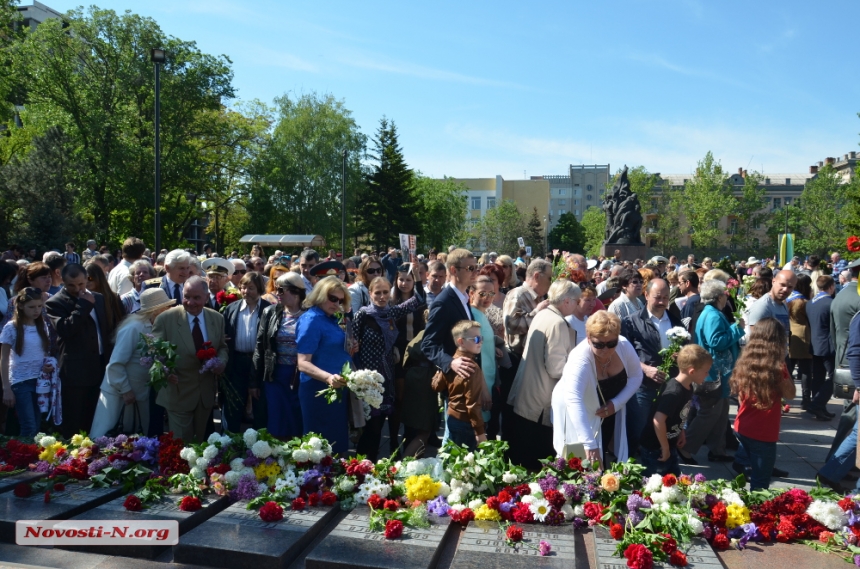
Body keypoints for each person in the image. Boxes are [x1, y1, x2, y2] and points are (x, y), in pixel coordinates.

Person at [551, 311, 643, 466]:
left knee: (602, 457)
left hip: (607, 410)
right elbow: (574, 399)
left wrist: (616, 403)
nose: (605, 350)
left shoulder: (624, 345)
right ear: (588, 338)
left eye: (611, 343)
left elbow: (636, 376)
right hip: (575, 411)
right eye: (599, 344)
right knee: (579, 462)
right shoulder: (580, 360)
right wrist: (589, 444)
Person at [507, 279, 580, 469]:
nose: (578, 304)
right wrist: (579, 368)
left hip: (527, 393)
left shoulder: (544, 314)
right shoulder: (557, 323)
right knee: (535, 459)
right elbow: (556, 368)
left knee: (521, 455)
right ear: (566, 301)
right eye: (577, 300)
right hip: (540, 401)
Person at [353, 276, 423, 460]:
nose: (382, 296)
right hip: (367, 378)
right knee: (372, 425)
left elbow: (418, 300)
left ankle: (376, 463)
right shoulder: (363, 314)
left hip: (387, 375)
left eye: (386, 292)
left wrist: (417, 276)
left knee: (384, 418)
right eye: (378, 293)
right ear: (370, 294)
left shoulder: (391, 312)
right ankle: (364, 465)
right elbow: (350, 343)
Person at [89, 289, 176, 438]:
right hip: (120, 393)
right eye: (166, 308)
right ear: (157, 310)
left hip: (139, 393)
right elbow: (116, 364)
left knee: (133, 439)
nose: (169, 311)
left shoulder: (155, 325)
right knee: (110, 436)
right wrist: (125, 389)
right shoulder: (133, 328)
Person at [152, 276, 227, 442]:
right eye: (186, 296)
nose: (190, 302)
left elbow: (222, 346)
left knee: (200, 444)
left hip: (205, 394)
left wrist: (221, 362)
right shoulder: (166, 319)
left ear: (207, 297)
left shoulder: (217, 318)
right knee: (182, 445)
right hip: (178, 392)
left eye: (196, 298)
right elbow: (153, 353)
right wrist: (165, 371)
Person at [679, 280, 745, 465]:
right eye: (725, 294)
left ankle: (718, 450)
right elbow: (716, 342)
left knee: (721, 412)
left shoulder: (712, 313)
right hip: (713, 374)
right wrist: (737, 328)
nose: (727, 297)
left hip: (717, 373)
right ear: (719, 297)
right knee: (709, 413)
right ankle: (685, 446)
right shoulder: (713, 315)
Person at [45, 263, 111, 438]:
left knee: (95, 419)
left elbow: (105, 329)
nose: (77, 289)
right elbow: (66, 330)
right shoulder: (55, 302)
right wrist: (82, 305)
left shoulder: (98, 298)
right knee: (75, 421)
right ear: (63, 282)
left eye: (81, 284)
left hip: (100, 365)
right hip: (75, 372)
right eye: (71, 285)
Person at [731, 318, 796, 490]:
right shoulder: (776, 367)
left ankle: (741, 464)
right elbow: (791, 394)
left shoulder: (746, 361)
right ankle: (756, 513)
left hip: (743, 426)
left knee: (752, 468)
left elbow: (739, 397)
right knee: (760, 483)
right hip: (764, 432)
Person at [620, 279, 684, 453]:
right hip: (642, 387)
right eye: (658, 297)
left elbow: (686, 351)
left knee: (664, 431)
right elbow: (623, 355)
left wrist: (681, 356)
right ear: (646, 295)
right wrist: (646, 369)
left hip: (668, 387)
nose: (662, 302)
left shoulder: (676, 323)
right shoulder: (630, 322)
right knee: (639, 431)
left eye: (665, 297)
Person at [296, 276, 353, 454]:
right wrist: (328, 377)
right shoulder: (311, 319)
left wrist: (349, 347)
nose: (336, 303)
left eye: (340, 300)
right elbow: (303, 363)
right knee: (318, 449)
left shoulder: (329, 318)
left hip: (335, 389)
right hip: (318, 390)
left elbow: (330, 349)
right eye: (332, 298)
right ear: (320, 295)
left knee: (335, 445)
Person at [638, 345, 712, 476]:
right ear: (692, 371)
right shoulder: (674, 392)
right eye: (706, 371)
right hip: (655, 448)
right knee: (654, 485)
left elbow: (678, 414)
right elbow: (658, 420)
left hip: (669, 444)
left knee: (673, 481)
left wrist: (681, 431)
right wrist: (665, 448)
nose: (707, 375)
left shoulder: (688, 387)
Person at [253, 272, 306, 441]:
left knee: (299, 422)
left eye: (281, 290)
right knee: (277, 423)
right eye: (276, 289)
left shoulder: (311, 315)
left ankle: (300, 461)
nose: (277, 293)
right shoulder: (270, 312)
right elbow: (260, 346)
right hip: (275, 375)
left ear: (296, 292)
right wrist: (254, 381)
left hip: (301, 376)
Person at [0, 288, 53, 438]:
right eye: (31, 307)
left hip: (40, 380)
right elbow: (4, 359)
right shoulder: (12, 327)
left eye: (39, 306)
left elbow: (42, 352)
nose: (36, 310)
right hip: (20, 380)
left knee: (37, 424)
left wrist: (47, 365)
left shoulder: (41, 326)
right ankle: (25, 458)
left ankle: (32, 457)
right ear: (21, 306)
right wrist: (6, 388)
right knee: (28, 425)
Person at [431, 320, 489, 450]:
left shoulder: (452, 361)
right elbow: (472, 405)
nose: (480, 342)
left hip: (452, 418)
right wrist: (480, 432)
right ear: (460, 341)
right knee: (466, 466)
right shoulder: (471, 367)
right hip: (465, 423)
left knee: (452, 460)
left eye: (481, 338)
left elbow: (436, 386)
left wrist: (442, 368)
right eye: (476, 339)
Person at [223, 271, 270, 433]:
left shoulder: (268, 310)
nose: (246, 292)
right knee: (233, 406)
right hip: (236, 362)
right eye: (243, 287)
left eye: (251, 288)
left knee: (260, 406)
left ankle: (260, 447)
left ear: (259, 290)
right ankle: (230, 443)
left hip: (260, 365)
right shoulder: (231, 309)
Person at [421, 249, 477, 376]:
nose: (475, 272)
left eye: (476, 268)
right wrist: (450, 362)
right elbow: (428, 344)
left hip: (469, 374)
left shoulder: (464, 297)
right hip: (454, 378)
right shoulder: (443, 302)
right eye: (470, 268)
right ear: (453, 270)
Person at [390, 263, 427, 452]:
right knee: (399, 397)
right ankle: (393, 439)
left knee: (414, 397)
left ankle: (410, 436)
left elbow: (423, 300)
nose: (404, 283)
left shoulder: (419, 300)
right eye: (401, 279)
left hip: (415, 353)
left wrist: (418, 276)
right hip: (398, 353)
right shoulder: (391, 302)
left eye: (408, 279)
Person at [806, 275, 836, 418]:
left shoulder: (811, 302)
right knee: (834, 377)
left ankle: (819, 408)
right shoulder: (830, 303)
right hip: (827, 345)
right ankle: (817, 404)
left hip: (815, 343)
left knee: (818, 377)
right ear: (831, 287)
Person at [788, 299, 816, 419]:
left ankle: (786, 397)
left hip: (792, 335)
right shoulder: (805, 303)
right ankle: (805, 399)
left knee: (789, 369)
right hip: (804, 336)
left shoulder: (788, 302)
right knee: (806, 371)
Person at [747, 270, 796, 334]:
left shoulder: (783, 305)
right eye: (782, 285)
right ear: (773, 281)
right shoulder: (762, 306)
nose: (785, 289)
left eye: (790, 287)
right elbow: (756, 338)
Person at [86, 263, 125, 339]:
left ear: (98, 278)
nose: (87, 282)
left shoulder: (113, 298)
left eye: (90, 278)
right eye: (84, 279)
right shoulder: (82, 298)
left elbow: (122, 321)